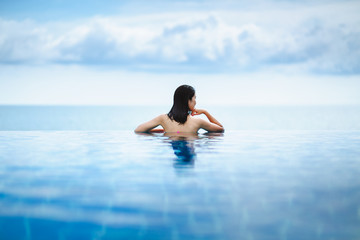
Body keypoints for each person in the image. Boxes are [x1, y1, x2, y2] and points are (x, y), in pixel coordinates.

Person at [134, 85, 224, 133]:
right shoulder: (198, 121)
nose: (195, 102)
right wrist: (205, 112)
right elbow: (221, 129)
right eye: (194, 98)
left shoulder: (163, 119)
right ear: (188, 100)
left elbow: (138, 130)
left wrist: (164, 131)